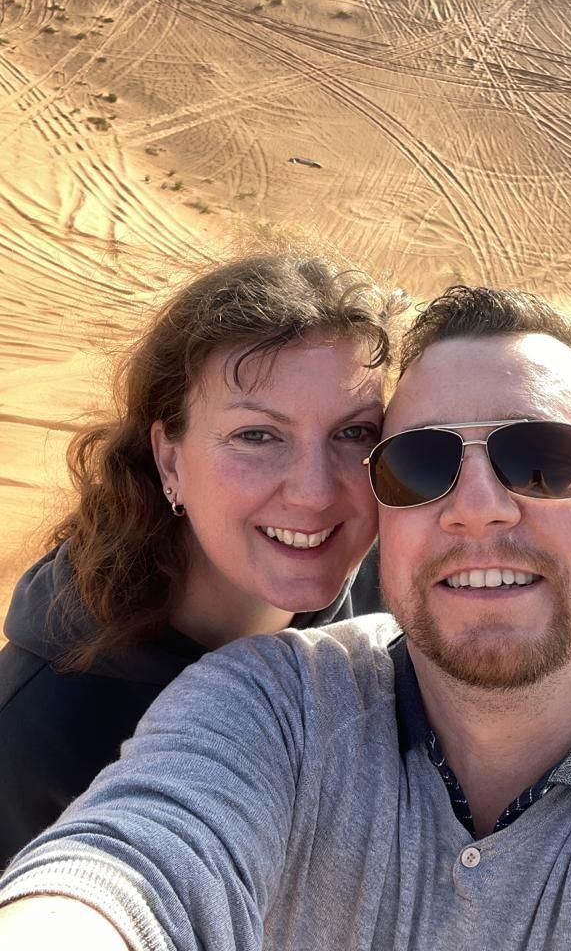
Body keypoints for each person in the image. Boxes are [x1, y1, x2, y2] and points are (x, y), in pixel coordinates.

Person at [1, 284, 571, 950]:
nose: (475, 510)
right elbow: (131, 868)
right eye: (422, 464)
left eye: (544, 460)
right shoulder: (271, 705)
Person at [0, 252, 402, 865]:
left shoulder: (399, 600)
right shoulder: (43, 724)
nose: (316, 493)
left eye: (355, 434)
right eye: (257, 436)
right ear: (170, 462)